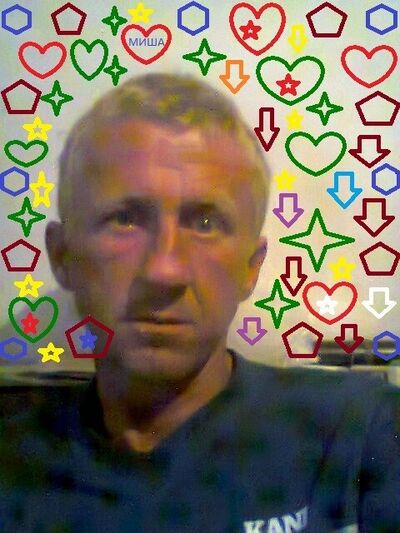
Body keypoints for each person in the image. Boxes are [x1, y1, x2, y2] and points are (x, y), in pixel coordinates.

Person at [0, 74, 399, 532]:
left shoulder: (363, 432)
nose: (164, 270)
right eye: (125, 219)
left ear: (250, 268)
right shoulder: (13, 464)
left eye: (205, 223)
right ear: (62, 256)